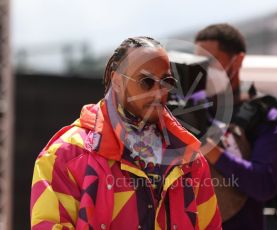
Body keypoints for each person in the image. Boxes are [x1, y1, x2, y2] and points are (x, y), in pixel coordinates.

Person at [30, 36, 222, 229]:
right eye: (146, 81)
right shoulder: (64, 155)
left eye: (166, 82)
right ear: (118, 80)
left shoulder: (190, 159)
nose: (158, 92)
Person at [195, 24, 277, 230]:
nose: (204, 69)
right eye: (198, 61)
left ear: (237, 60)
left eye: (211, 61)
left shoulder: (265, 114)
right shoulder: (187, 107)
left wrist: (211, 150)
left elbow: (264, 184)